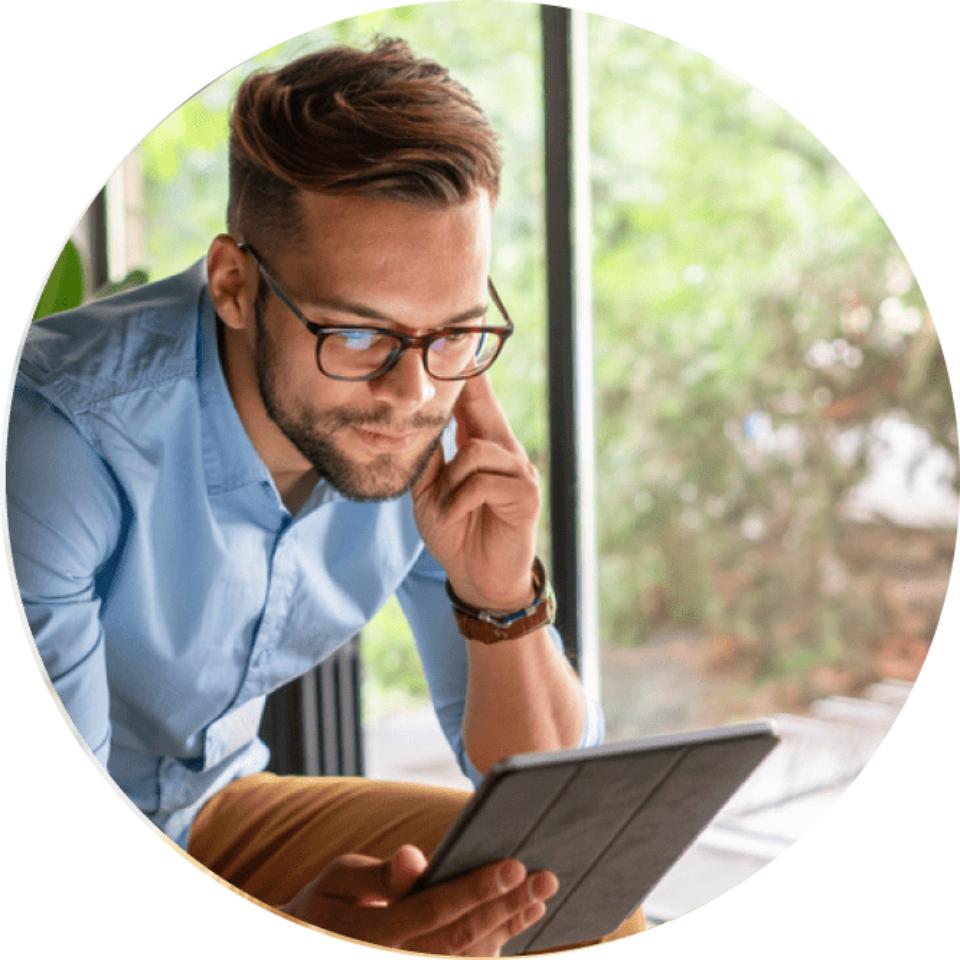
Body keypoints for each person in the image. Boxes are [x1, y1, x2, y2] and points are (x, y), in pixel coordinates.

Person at [7, 39, 643, 954]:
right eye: (356, 335)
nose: (413, 394)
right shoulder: (56, 444)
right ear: (235, 284)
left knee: (570, 904)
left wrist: (500, 598)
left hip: (215, 808)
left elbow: (553, 813)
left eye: (455, 332)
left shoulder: (436, 418)